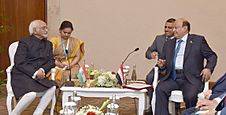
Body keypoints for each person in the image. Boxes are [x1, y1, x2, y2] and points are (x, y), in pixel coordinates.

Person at [155, 18, 217, 115]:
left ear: (185, 28)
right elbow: (163, 62)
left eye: (176, 28)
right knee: (160, 89)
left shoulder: (198, 40)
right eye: (173, 28)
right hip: (173, 78)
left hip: (191, 79)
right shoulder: (169, 43)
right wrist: (162, 65)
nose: (173, 30)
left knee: (190, 95)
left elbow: (212, 56)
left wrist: (208, 68)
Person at [11, 20, 57, 115]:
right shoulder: (24, 42)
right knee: (31, 94)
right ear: (35, 30)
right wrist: (35, 73)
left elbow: (51, 61)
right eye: (43, 28)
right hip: (22, 74)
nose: (46, 30)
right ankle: (14, 113)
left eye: (46, 27)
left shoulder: (48, 44)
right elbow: (19, 62)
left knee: (52, 87)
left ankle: (38, 112)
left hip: (39, 75)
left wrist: (42, 70)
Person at [145, 18, 176, 114]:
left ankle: (176, 106)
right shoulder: (159, 38)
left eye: (169, 28)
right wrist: (151, 54)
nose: (166, 29)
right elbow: (147, 52)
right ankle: (152, 104)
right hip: (160, 67)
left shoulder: (178, 40)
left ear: (175, 29)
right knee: (150, 77)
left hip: (173, 68)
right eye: (165, 27)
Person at [49, 20, 84, 86]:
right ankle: (58, 95)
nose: (66, 35)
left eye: (69, 33)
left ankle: (71, 95)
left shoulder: (75, 41)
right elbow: (49, 55)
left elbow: (77, 56)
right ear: (60, 30)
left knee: (74, 75)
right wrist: (57, 63)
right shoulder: (54, 40)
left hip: (71, 64)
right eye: (64, 32)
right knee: (56, 76)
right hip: (56, 64)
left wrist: (71, 64)